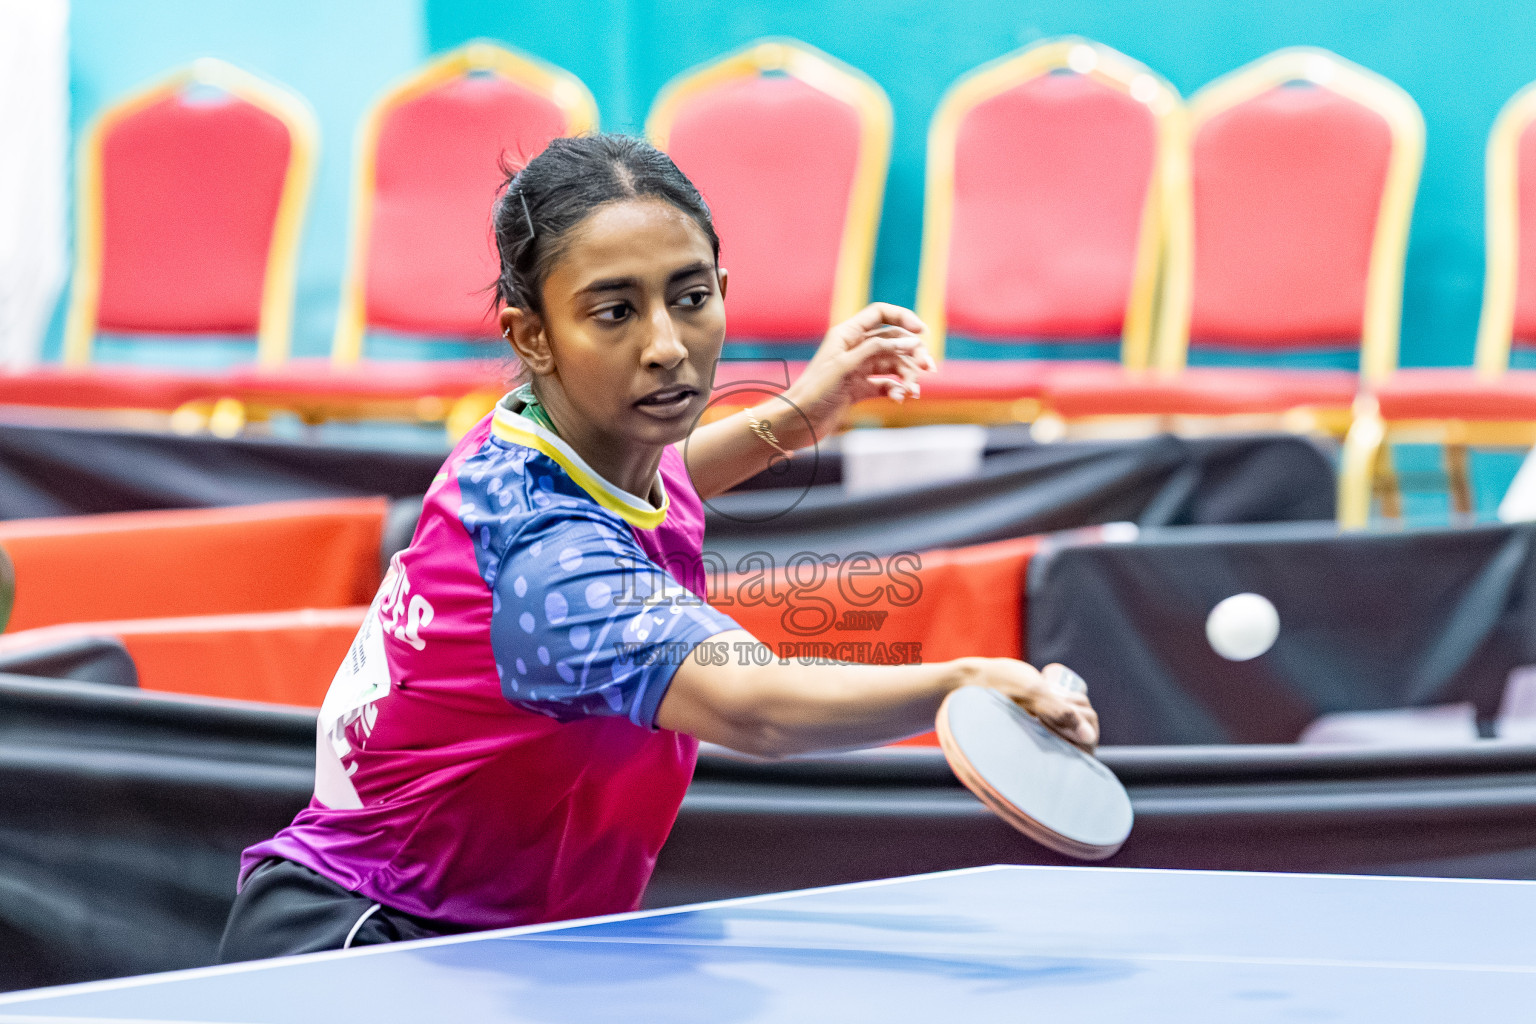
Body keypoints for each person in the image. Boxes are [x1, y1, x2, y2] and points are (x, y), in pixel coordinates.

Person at [217, 134, 1098, 962]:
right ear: (532, 337)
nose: (667, 348)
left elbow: (666, 477)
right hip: (372, 948)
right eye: (613, 313)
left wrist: (800, 415)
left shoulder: (548, 445)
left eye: (690, 297)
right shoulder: (545, 558)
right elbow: (756, 707)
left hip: (500, 949)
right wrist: (964, 683)